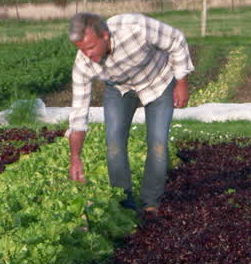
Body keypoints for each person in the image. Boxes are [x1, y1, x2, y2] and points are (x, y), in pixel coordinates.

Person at [65, 12, 192, 213]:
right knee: (114, 142)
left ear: (105, 35)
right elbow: (78, 114)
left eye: (90, 48)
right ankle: (126, 205)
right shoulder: (83, 64)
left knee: (158, 142)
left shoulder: (135, 28)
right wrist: (75, 158)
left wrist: (182, 82)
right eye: (82, 50)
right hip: (119, 89)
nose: (87, 55)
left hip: (157, 81)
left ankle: (151, 203)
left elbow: (176, 39)